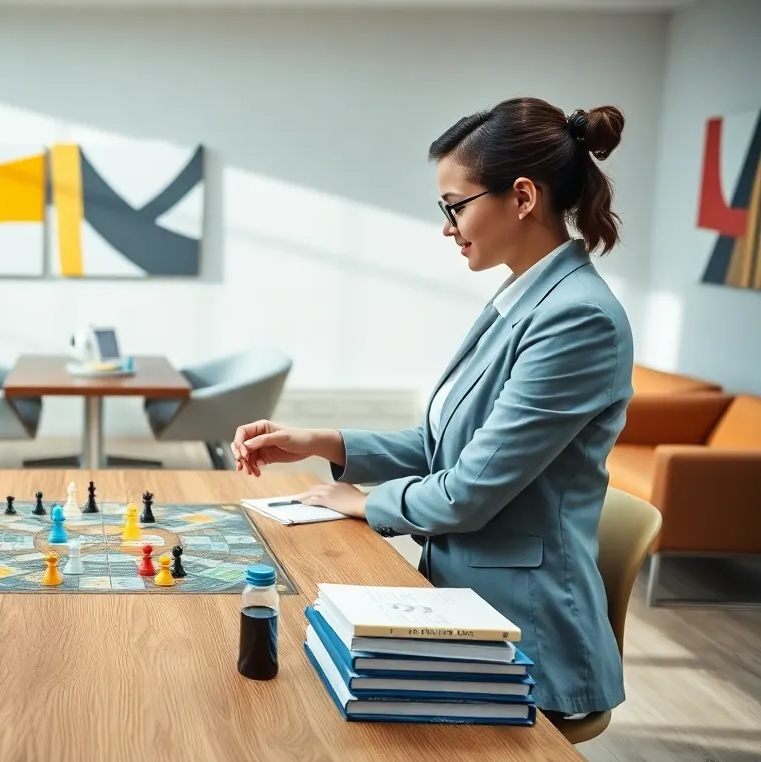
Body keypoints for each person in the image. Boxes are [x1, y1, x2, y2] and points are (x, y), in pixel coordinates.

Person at [232, 97, 631, 719]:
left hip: (527, 641)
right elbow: (444, 443)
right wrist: (320, 441)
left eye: (455, 205)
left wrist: (364, 502)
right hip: (463, 603)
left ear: (522, 197)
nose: (448, 227)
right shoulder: (523, 299)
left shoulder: (576, 318)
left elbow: (468, 490)